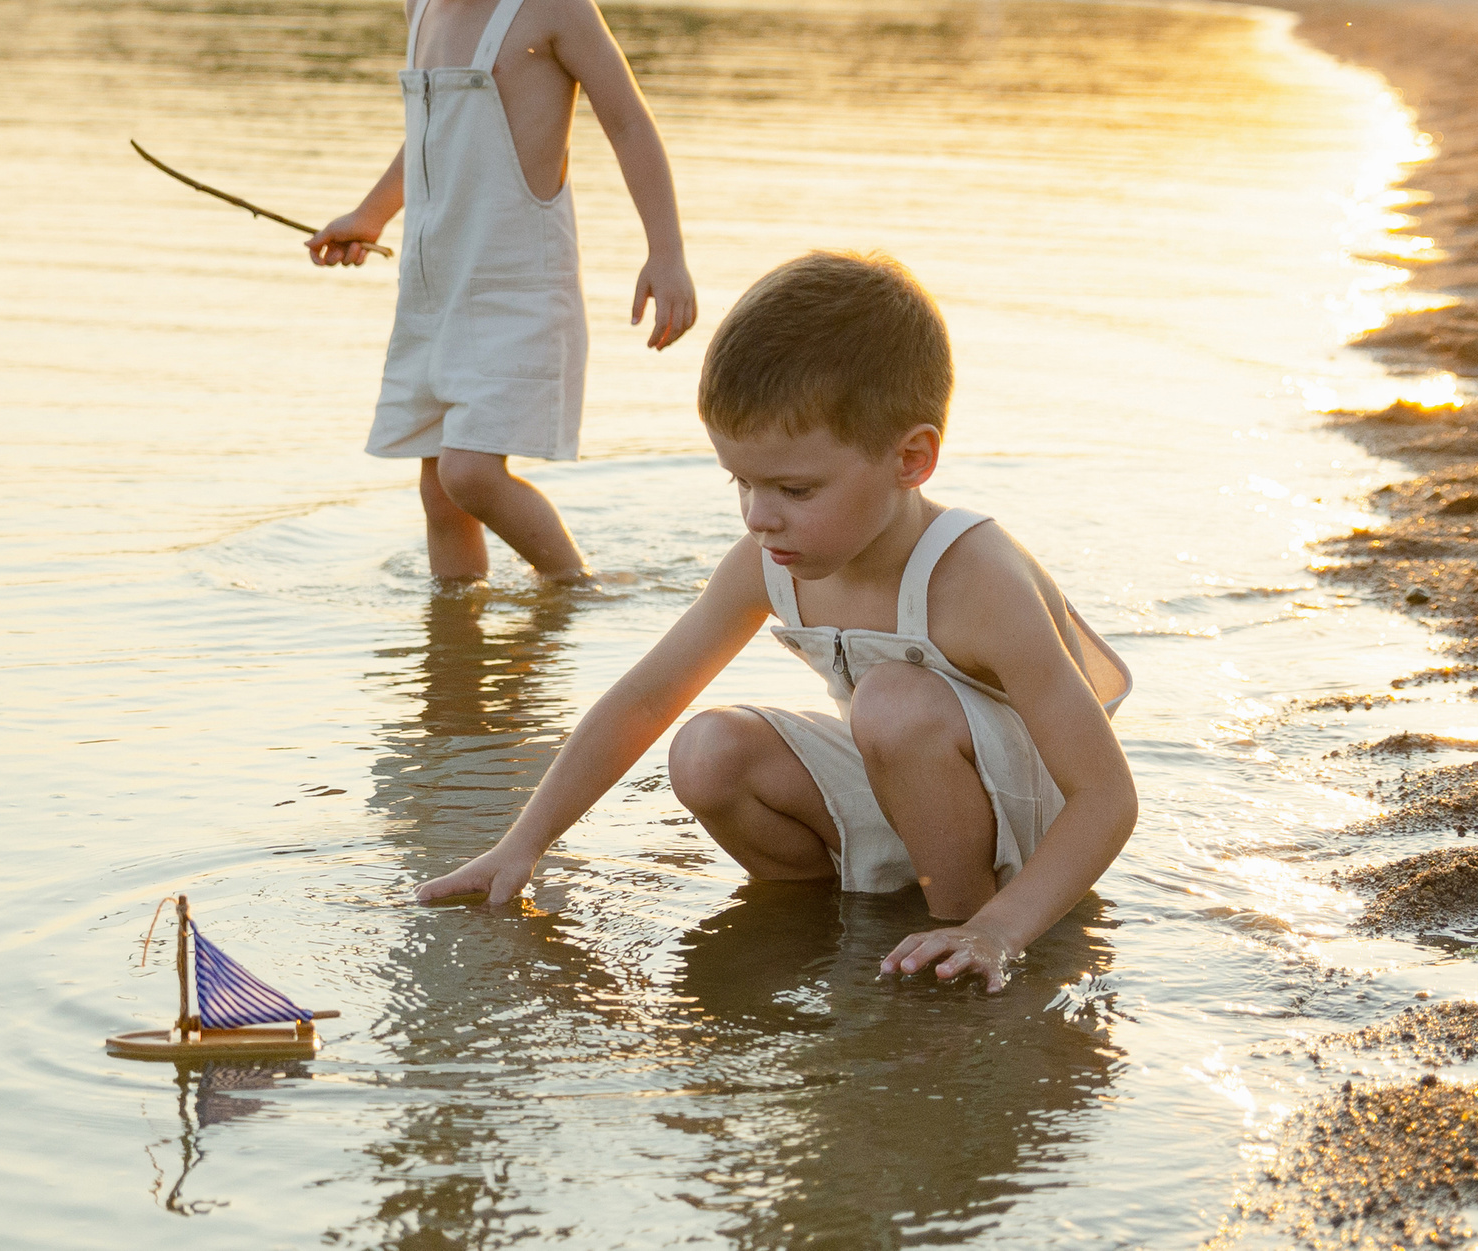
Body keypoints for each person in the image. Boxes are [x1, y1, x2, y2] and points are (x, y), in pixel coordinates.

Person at [413, 252, 1138, 987]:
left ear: (911, 459)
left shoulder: (976, 578)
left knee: (890, 703)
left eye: (794, 487)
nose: (760, 516)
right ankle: (836, 921)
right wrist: (524, 843)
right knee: (706, 749)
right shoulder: (769, 557)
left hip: (1027, 842)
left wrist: (999, 928)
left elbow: (1106, 796)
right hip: (904, 784)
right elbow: (645, 698)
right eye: (743, 482)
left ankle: (956, 940)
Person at [309, 0, 696, 582]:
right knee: (438, 489)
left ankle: (573, 587)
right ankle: (457, 642)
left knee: (472, 472)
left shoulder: (549, 4)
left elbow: (628, 122)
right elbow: (427, 138)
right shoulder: (423, 8)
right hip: (437, 290)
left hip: (515, 291)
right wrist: (371, 214)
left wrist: (667, 252)